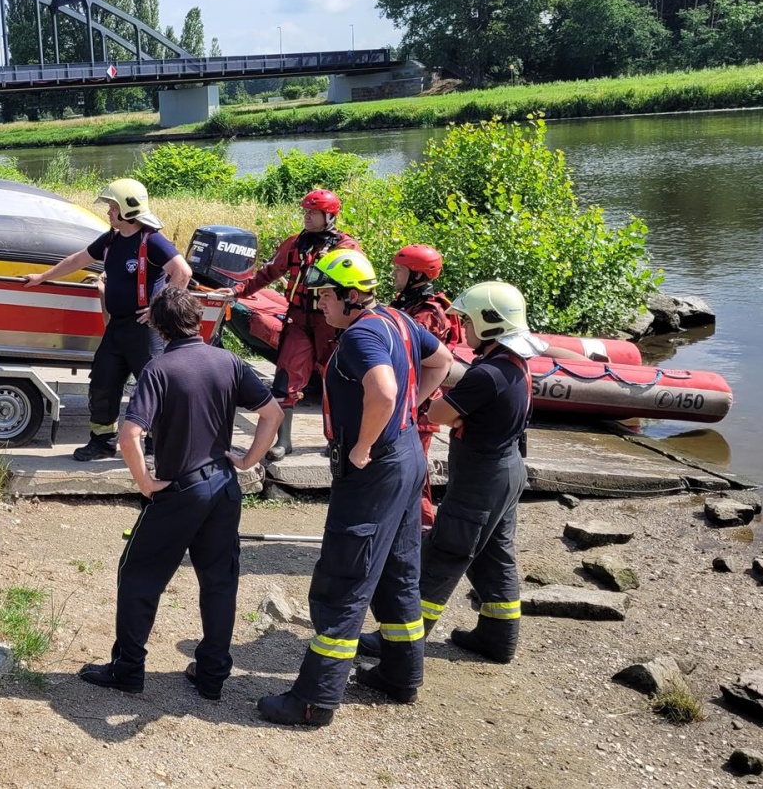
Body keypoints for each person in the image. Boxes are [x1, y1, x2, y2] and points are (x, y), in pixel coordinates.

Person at [257, 247, 452, 728]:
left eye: (324, 295)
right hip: (406, 456)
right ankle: (400, 676)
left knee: (344, 577)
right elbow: (441, 360)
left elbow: (383, 391)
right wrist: (413, 409)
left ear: (348, 296)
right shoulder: (398, 320)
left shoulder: (361, 336)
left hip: (374, 468)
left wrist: (364, 445)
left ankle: (314, 699)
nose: (319, 304)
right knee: (399, 569)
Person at [77, 287, 283, 699]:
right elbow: (273, 413)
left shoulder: (159, 369)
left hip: (180, 490)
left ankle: (128, 669)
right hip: (224, 487)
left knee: (138, 573)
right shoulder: (228, 361)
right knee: (219, 582)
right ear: (198, 320)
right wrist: (247, 460)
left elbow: (129, 433)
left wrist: (146, 483)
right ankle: (211, 677)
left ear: (156, 324)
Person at [359, 281, 538, 666]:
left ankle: (402, 640)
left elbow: (439, 414)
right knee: (494, 554)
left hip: (480, 478)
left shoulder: (486, 375)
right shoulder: (515, 364)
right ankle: (497, 638)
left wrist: (434, 397)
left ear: (491, 324)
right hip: (507, 472)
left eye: (469, 322)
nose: (465, 330)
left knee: (444, 553)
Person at [23, 179, 191, 461]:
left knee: (153, 387)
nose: (108, 212)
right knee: (102, 383)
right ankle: (102, 442)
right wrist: (42, 278)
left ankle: (157, 443)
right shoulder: (111, 238)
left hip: (145, 330)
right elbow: (78, 259)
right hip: (117, 327)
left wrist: (158, 309)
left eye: (112, 207)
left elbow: (182, 272)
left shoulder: (152, 240)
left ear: (127, 209)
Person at [228, 189, 361, 460]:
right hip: (299, 319)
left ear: (329, 216)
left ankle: (335, 439)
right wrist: (235, 292)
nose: (307, 217)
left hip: (331, 322)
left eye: (313, 213)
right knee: (284, 380)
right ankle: (284, 441)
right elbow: (267, 274)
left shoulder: (346, 247)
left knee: (337, 380)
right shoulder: (295, 243)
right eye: (305, 212)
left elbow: (358, 286)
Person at [390, 245, 465, 530]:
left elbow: (416, 357)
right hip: (405, 401)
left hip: (417, 408)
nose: (394, 275)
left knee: (413, 476)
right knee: (407, 474)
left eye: (399, 270)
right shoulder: (407, 302)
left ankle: (423, 531)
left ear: (417, 275)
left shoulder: (429, 314)